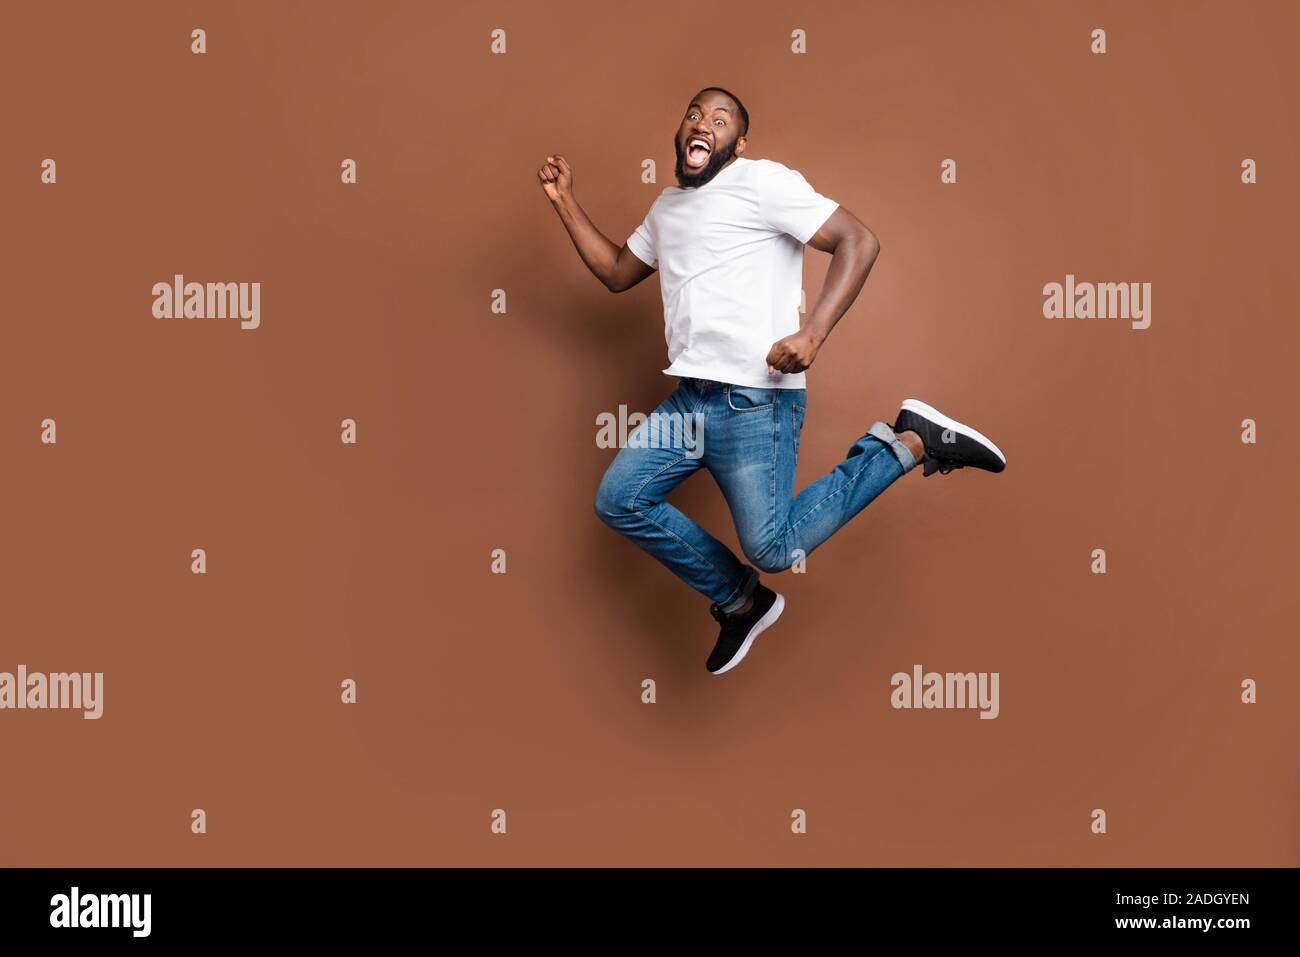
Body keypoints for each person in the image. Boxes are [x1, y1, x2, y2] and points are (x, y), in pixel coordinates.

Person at [538, 86, 1006, 676]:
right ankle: (742, 600)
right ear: (681, 135)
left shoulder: (763, 183)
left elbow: (858, 242)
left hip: (755, 403)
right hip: (691, 399)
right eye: (693, 114)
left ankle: (907, 441)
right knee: (620, 499)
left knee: (774, 548)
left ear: (737, 142)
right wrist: (564, 202)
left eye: (720, 117)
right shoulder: (666, 209)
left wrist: (813, 334)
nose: (702, 122)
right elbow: (614, 272)